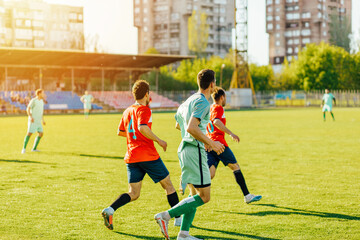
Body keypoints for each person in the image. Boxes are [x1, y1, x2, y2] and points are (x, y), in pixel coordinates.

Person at [101, 80, 181, 231]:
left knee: (134, 193)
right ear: (147, 94)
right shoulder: (144, 110)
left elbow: (120, 132)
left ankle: (110, 210)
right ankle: (178, 219)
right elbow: (142, 127)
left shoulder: (127, 111)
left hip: (132, 157)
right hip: (148, 155)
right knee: (168, 185)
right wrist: (159, 140)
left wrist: (135, 138)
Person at [154, 69, 225, 240]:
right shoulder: (202, 102)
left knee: (193, 194)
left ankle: (184, 234)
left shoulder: (188, 101)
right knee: (204, 196)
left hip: (185, 149)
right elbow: (192, 127)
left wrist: (201, 137)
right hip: (194, 150)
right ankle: (165, 216)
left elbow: (179, 124)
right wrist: (210, 142)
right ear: (212, 84)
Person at [206, 87, 262, 204]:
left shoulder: (210, 108)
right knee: (235, 167)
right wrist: (231, 133)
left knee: (210, 174)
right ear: (222, 97)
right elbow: (216, 121)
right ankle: (247, 196)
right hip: (219, 144)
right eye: (225, 97)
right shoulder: (218, 107)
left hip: (210, 144)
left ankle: (190, 182)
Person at [21, 89, 46, 154]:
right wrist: (31, 117)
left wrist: (43, 120)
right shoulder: (33, 100)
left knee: (41, 133)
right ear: (39, 94)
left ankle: (34, 148)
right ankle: (23, 149)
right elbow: (28, 109)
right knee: (29, 133)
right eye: (43, 93)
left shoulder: (42, 101)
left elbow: (41, 112)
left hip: (38, 121)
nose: (44, 94)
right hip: (33, 120)